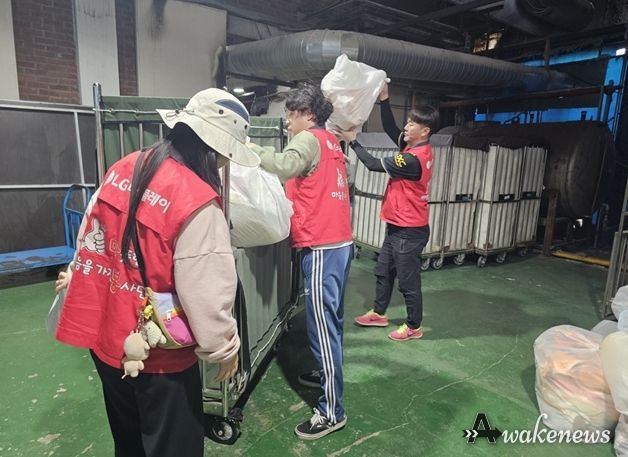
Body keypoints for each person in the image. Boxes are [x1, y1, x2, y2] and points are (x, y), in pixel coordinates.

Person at [54, 88, 260, 457]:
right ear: (214, 150)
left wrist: (74, 272)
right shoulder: (197, 201)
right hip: (159, 357)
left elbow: (90, 234)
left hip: (108, 342)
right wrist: (225, 348)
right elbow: (206, 291)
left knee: (129, 443)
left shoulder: (125, 166)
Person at [248, 83, 353, 440]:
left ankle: (332, 411)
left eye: (291, 116)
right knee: (331, 322)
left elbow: (284, 166)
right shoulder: (330, 139)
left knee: (322, 327)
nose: (288, 124)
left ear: (307, 114)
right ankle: (327, 377)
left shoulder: (308, 138)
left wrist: (247, 148)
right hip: (338, 242)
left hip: (322, 244)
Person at [338, 81, 440, 342]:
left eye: (412, 124)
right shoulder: (411, 147)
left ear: (425, 131)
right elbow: (390, 128)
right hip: (397, 225)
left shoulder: (412, 159)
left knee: (408, 281)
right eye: (408, 121)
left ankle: (414, 326)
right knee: (383, 271)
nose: (406, 126)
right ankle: (379, 313)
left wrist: (353, 141)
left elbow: (373, 164)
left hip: (409, 230)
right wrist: (384, 98)